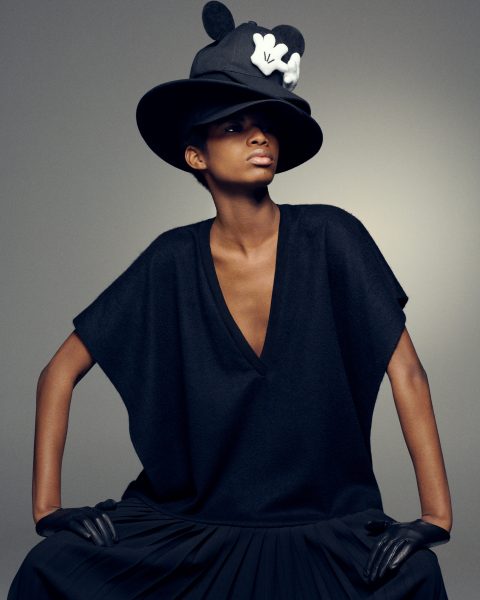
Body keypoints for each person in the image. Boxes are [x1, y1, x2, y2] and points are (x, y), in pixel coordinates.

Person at [8, 2, 452, 598]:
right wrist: (48, 509)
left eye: (266, 124)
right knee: (51, 567)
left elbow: (408, 374)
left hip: (324, 524)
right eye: (234, 126)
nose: (259, 136)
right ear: (196, 155)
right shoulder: (171, 259)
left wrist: (436, 515)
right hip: (187, 529)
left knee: (417, 577)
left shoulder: (333, 236)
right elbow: (58, 373)